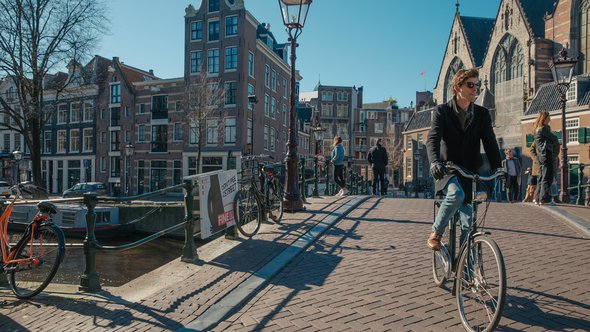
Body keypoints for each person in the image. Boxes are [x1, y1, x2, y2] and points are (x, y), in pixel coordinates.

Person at [426, 68, 502, 251]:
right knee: (456, 194)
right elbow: (433, 139)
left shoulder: (482, 114)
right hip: (448, 170)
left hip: (470, 173)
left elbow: (490, 143)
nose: (475, 89)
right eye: (470, 85)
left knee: (469, 226)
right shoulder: (442, 111)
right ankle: (436, 232)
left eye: (477, 85)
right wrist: (435, 162)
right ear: (457, 87)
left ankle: (466, 274)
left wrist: (499, 168)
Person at [533, 111, 559, 205]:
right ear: (544, 118)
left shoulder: (537, 129)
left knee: (541, 177)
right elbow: (554, 138)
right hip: (546, 154)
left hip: (541, 155)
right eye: (548, 118)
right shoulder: (543, 129)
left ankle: (537, 198)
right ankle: (544, 199)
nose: (550, 119)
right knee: (547, 177)